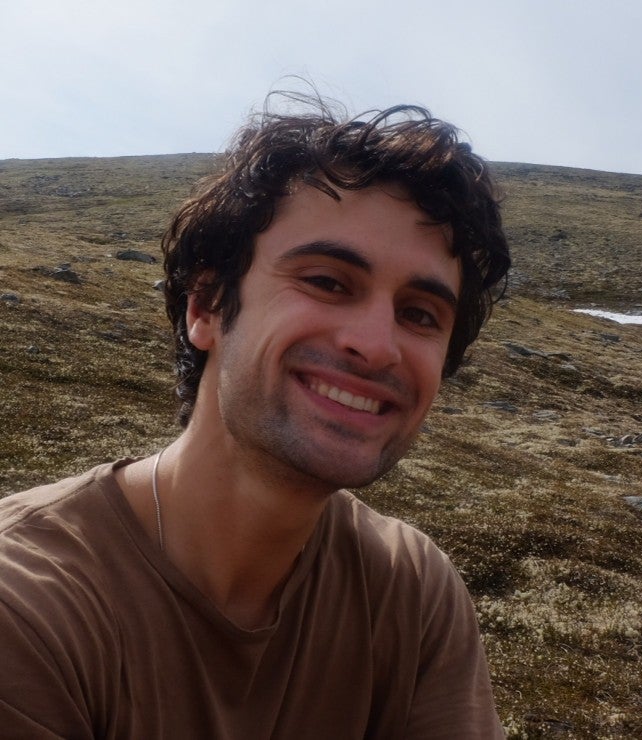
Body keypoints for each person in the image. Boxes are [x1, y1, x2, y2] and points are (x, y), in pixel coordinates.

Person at [0, 94, 511, 738]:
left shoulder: (410, 591)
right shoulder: (26, 606)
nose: (378, 345)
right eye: (328, 281)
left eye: (420, 315)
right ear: (207, 305)